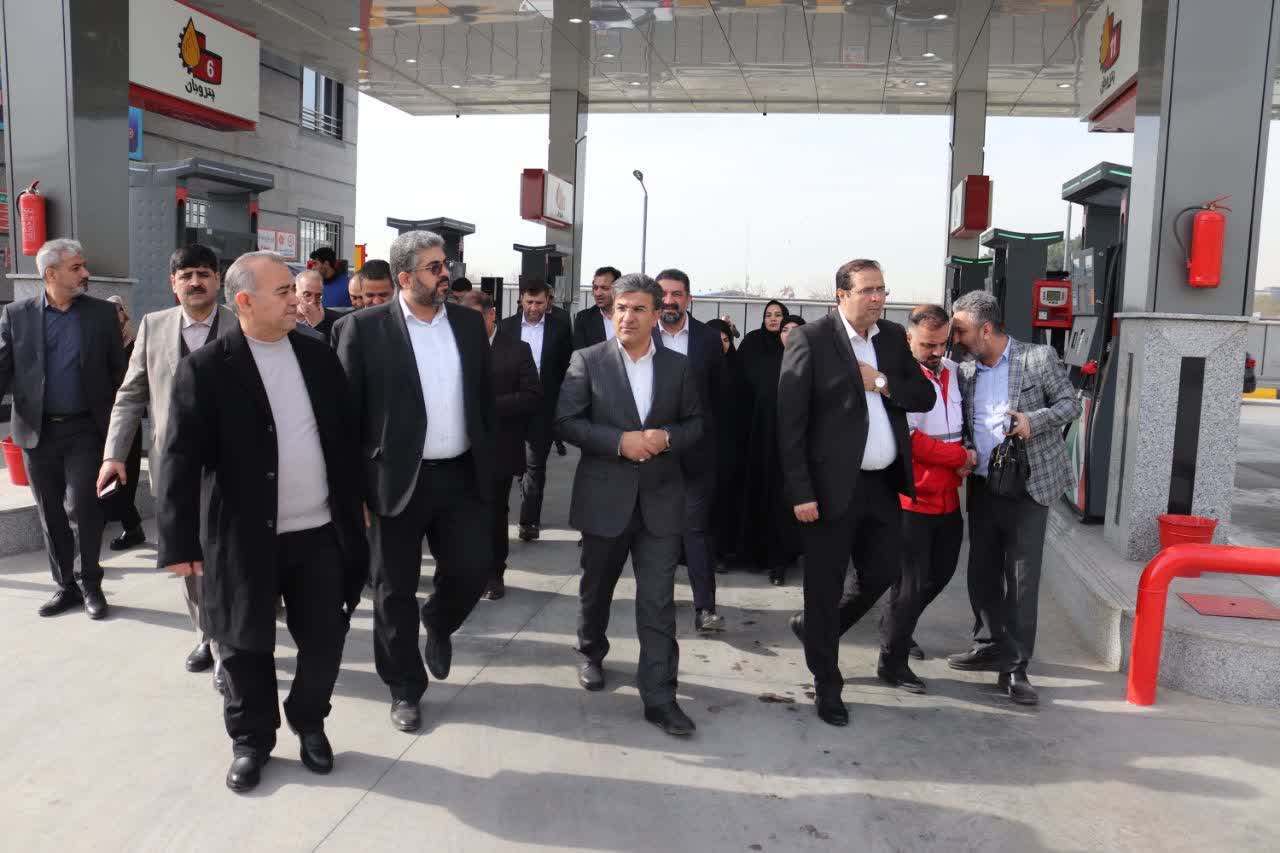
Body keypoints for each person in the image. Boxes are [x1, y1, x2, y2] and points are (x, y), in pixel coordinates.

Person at [157, 251, 366, 793]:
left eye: (294, 290)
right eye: (283, 292)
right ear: (245, 301)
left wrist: (360, 502)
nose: (297, 300)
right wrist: (179, 542)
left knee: (326, 637)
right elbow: (179, 458)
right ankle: (251, 741)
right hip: (242, 538)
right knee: (243, 645)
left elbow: (344, 437)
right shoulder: (208, 368)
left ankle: (308, 718)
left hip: (319, 532)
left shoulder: (317, 356)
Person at [332, 230, 494, 735]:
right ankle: (404, 687)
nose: (445, 274)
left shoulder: (468, 324)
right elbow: (345, 418)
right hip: (394, 481)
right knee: (392, 590)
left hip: (461, 475)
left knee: (474, 568)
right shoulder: (362, 329)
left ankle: (439, 621)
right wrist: (353, 491)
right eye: (433, 267)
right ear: (405, 278)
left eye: (445, 265)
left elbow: (483, 397)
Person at [779, 259, 935, 727]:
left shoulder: (891, 338)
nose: (877, 298)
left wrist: (881, 383)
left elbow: (922, 397)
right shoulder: (811, 339)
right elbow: (790, 424)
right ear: (841, 295)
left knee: (883, 571)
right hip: (828, 491)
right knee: (823, 587)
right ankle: (828, 684)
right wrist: (801, 491)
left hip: (881, 486)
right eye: (867, 290)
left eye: (881, 289)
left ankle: (815, 630)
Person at [555, 273, 703, 736]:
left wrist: (667, 437)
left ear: (657, 315)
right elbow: (566, 421)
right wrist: (619, 442)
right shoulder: (587, 360)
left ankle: (659, 696)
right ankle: (590, 651)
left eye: (639, 309)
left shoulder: (679, 367)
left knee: (657, 601)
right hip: (604, 498)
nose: (628, 317)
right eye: (621, 308)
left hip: (661, 501)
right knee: (596, 588)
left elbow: (696, 424)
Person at [101, 243, 238, 676]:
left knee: (231, 556)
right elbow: (130, 395)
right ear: (173, 283)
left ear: (218, 279)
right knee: (189, 555)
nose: (195, 282)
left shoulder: (242, 323)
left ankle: (232, 636)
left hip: (236, 466)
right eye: (186, 275)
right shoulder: (154, 325)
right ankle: (207, 636)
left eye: (204, 273)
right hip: (175, 464)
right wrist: (114, 454)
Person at [946, 290, 1079, 706]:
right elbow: (965, 422)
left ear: (986, 329)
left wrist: (1032, 421)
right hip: (984, 485)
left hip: (1028, 486)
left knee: (1020, 578)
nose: (955, 338)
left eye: (961, 330)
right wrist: (966, 450)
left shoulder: (1038, 358)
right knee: (982, 571)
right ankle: (989, 644)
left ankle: (1016, 665)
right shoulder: (966, 371)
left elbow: (1070, 404)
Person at [0, 239, 125, 619]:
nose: (86, 273)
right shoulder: (16, 315)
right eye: (76, 268)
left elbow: (119, 375)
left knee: (84, 508)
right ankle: (65, 586)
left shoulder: (102, 315)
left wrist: (121, 431)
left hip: (86, 430)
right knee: (50, 512)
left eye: (83, 266)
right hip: (36, 432)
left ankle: (90, 584)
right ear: (51, 273)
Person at [877, 304, 973, 690]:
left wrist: (966, 454)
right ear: (908, 339)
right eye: (927, 344)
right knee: (910, 585)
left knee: (941, 573)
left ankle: (894, 626)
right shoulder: (899, 378)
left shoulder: (953, 372)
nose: (936, 351)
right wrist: (960, 457)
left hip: (948, 494)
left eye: (941, 344)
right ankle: (892, 661)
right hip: (913, 498)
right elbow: (912, 439)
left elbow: (961, 424)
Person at [653, 269, 725, 632]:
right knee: (658, 532)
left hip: (698, 452)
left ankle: (705, 608)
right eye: (663, 294)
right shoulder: (641, 333)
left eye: (676, 294)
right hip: (652, 451)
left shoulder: (708, 339)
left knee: (696, 529)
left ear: (688, 298)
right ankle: (658, 603)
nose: (669, 301)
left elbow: (721, 396)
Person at [461, 290, 541, 600]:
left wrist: (489, 406)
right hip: (459, 449)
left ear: (491, 315)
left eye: (475, 318)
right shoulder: (453, 346)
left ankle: (494, 573)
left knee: (493, 512)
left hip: (498, 448)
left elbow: (532, 395)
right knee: (460, 516)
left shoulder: (517, 349)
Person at [499, 281, 572, 542]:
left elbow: (566, 367)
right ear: (521, 300)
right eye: (529, 302)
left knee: (535, 465)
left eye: (539, 303)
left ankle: (529, 521)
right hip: (510, 406)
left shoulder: (560, 329)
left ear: (548, 302)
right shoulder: (505, 327)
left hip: (542, 407)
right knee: (508, 464)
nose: (533, 308)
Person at [735, 299, 794, 583]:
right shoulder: (752, 344)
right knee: (753, 492)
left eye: (778, 315)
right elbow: (739, 383)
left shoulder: (793, 350)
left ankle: (779, 558)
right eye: (768, 315)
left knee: (779, 498)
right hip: (753, 435)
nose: (773, 319)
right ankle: (750, 554)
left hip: (783, 439)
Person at [101, 295, 145, 552]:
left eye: (119, 312)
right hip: (101, 419)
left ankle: (133, 528)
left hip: (127, 423)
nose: (115, 318)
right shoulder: (101, 345)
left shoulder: (135, 345)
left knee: (124, 479)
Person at [704, 318, 746, 569]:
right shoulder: (697, 367)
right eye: (715, 340)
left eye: (726, 340)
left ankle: (722, 551)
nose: (721, 345)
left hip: (731, 446)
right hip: (702, 444)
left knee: (725, 499)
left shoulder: (738, 368)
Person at [572, 266, 621, 350]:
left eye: (604, 288)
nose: (598, 293)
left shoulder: (632, 316)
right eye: (595, 288)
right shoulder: (584, 319)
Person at [295, 269, 343, 337]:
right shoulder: (282, 318)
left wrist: (319, 326)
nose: (313, 300)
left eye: (318, 295)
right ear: (294, 292)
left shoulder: (338, 321)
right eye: (307, 295)